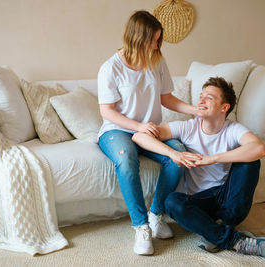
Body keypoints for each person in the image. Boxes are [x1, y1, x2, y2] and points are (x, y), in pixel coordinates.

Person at [132, 77, 265, 258]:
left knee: (251, 160)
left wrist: (213, 159)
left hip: (228, 199)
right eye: (201, 96)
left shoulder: (233, 129)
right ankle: (232, 239)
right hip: (200, 202)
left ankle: (217, 231)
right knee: (171, 202)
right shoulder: (188, 127)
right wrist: (173, 153)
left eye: (209, 97)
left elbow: (259, 149)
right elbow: (139, 137)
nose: (201, 100)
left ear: (225, 107)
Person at [97, 10, 199, 255]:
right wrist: (138, 126)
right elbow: (107, 111)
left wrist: (195, 110)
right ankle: (141, 227)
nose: (157, 45)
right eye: (154, 40)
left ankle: (156, 215)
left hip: (151, 130)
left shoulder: (157, 59)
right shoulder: (110, 68)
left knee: (179, 157)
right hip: (117, 130)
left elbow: (167, 98)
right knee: (126, 160)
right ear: (137, 38)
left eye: (158, 39)